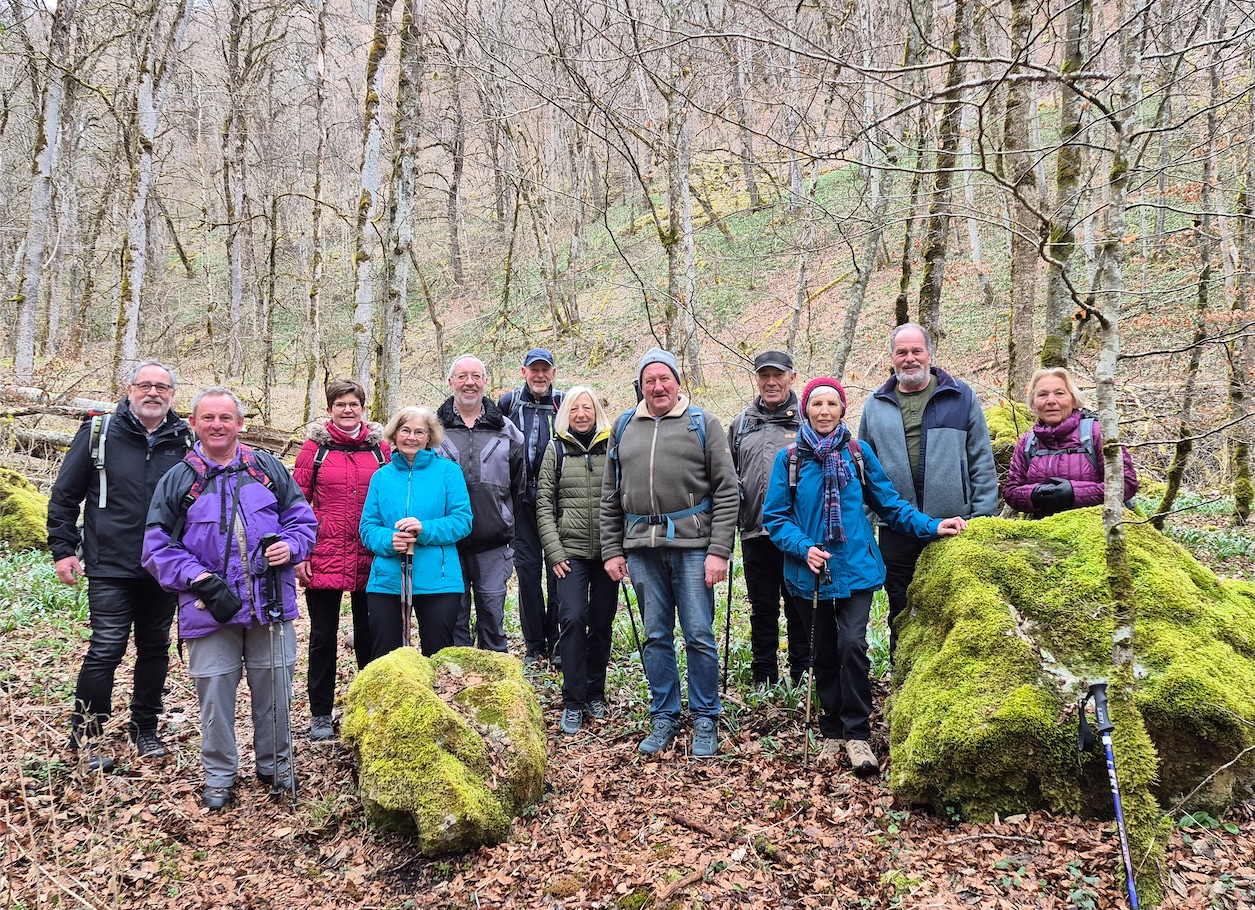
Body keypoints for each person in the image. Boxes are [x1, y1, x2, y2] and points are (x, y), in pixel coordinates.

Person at [764, 378, 968, 776]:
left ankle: (857, 732)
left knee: (852, 646)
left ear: (843, 409)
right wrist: (803, 547)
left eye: (832, 404)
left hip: (855, 568)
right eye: (817, 404)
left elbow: (889, 504)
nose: (825, 411)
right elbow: (775, 516)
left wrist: (932, 525)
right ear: (806, 410)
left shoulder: (858, 453)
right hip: (809, 573)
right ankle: (832, 730)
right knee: (822, 652)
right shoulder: (789, 459)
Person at [142, 387, 317, 810]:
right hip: (209, 608)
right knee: (215, 697)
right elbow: (155, 546)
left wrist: (292, 546)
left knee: (275, 691)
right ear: (194, 424)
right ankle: (219, 775)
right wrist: (196, 576)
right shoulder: (180, 479)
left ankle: (276, 766)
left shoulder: (267, 468)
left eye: (225, 418)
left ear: (240, 424)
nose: (217, 425)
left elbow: (302, 520)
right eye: (208, 418)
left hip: (270, 603)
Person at [47, 360, 192, 772]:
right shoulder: (99, 432)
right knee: (106, 647)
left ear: (172, 394)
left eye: (161, 387)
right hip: (109, 561)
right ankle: (87, 735)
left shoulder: (184, 439)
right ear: (129, 390)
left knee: (155, 647)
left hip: (163, 564)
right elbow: (65, 495)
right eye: (145, 385)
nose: (153, 393)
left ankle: (145, 729)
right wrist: (63, 549)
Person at [601, 348, 738, 757]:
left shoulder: (703, 423)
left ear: (678, 382)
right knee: (655, 636)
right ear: (640, 386)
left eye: (665, 379)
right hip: (641, 549)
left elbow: (727, 490)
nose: (658, 387)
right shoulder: (624, 426)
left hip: (693, 547)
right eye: (650, 380)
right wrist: (612, 549)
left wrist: (719, 550)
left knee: (699, 634)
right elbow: (610, 495)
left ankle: (706, 717)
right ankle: (664, 715)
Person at [857, 323, 997, 657]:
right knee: (901, 608)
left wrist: (983, 519)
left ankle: (949, 673)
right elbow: (863, 473)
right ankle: (904, 672)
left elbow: (980, 460)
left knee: (954, 607)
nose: (909, 358)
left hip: (955, 524)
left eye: (916, 350)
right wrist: (861, 527)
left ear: (929, 354)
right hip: (896, 527)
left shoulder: (960, 396)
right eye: (901, 352)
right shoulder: (875, 405)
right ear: (892, 357)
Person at [293, 379, 390, 741]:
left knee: (370, 634)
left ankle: (368, 706)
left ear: (363, 409)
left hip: (370, 554)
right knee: (322, 636)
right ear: (329, 409)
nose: (347, 410)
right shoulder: (314, 450)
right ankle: (320, 713)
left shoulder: (380, 450)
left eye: (353, 404)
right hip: (324, 555)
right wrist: (300, 553)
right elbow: (296, 504)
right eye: (340, 404)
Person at [359, 406, 472, 658]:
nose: (411, 437)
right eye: (405, 430)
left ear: (429, 437)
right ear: (395, 434)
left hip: (439, 581)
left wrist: (425, 529)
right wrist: (389, 540)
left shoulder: (449, 472)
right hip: (387, 581)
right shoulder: (381, 477)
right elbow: (367, 528)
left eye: (419, 432)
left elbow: (462, 521)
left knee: (438, 656)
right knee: (387, 659)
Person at [535, 386, 616, 735]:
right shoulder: (556, 450)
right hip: (569, 553)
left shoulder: (612, 448)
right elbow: (543, 504)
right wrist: (554, 551)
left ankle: (595, 693)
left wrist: (620, 548)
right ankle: (573, 700)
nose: (581, 414)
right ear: (565, 414)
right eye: (574, 409)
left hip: (608, 553)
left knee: (601, 622)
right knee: (571, 618)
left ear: (597, 412)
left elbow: (623, 497)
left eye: (587, 408)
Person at [436, 355, 525, 652]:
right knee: (453, 620)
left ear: (485, 382)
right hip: (447, 544)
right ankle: (456, 675)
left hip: (493, 543)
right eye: (462, 376)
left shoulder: (507, 430)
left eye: (476, 376)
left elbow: (518, 485)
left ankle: (496, 674)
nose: (469, 383)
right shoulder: (434, 430)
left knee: (492, 616)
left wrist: (503, 518)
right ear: (451, 382)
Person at [728, 350, 806, 687]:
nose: (771, 382)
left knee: (799, 606)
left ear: (792, 377)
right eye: (764, 376)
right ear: (757, 379)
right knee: (762, 608)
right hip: (754, 532)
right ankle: (764, 675)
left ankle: (802, 672)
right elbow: (727, 475)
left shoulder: (807, 421)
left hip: (796, 534)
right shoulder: (741, 424)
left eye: (778, 375)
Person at [499, 348, 565, 667]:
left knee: (558, 571)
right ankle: (534, 644)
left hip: (558, 503)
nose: (540, 375)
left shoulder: (564, 404)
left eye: (545, 370)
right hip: (521, 502)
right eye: (534, 369)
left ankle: (558, 641)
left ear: (553, 373)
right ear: (523, 371)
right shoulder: (508, 404)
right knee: (527, 573)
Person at [1004, 368, 1138, 518]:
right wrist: (1034, 494)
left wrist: (1074, 493)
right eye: (1042, 395)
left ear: (1073, 400)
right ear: (1034, 403)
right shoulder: (1028, 442)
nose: (1051, 401)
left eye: (1060, 393)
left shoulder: (1097, 434)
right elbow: (1011, 492)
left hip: (1097, 526)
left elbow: (1126, 484)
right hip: (1042, 529)